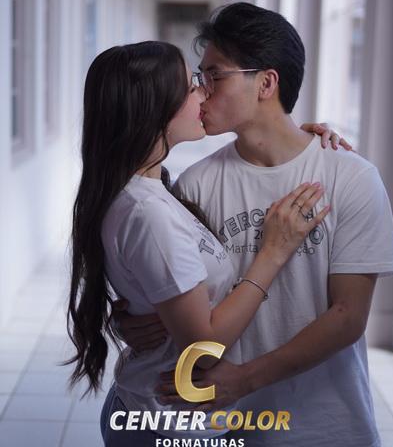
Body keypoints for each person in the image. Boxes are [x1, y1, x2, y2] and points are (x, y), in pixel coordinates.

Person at [115, 4, 393, 447]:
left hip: (326, 426)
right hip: (225, 427)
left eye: (215, 76)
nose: (201, 91)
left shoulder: (350, 177)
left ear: (266, 83)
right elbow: (173, 288)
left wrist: (245, 378)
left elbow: (348, 317)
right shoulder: (195, 184)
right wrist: (133, 316)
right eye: (199, 77)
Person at [65, 40, 333, 447]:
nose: (203, 93)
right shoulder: (148, 213)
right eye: (192, 85)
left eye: (210, 79)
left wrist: (297, 140)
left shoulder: (150, 190)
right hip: (167, 423)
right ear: (154, 107)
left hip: (162, 414)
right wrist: (274, 252)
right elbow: (204, 350)